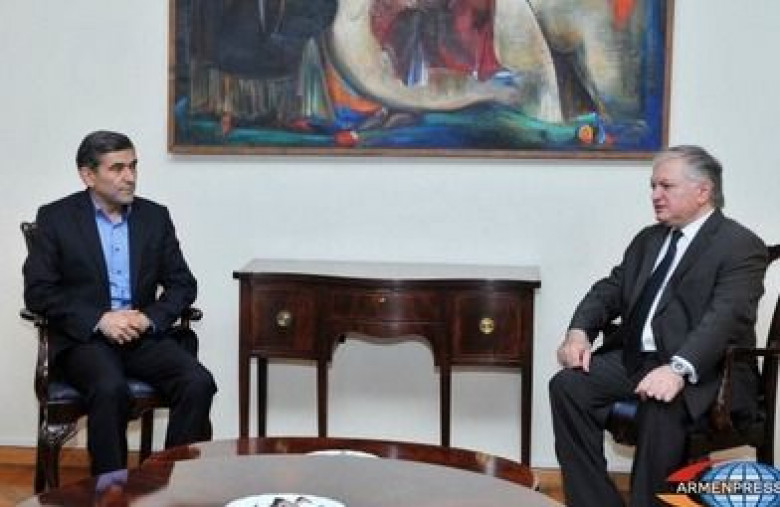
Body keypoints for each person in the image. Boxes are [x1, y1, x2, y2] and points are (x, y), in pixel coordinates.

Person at [549, 145, 767, 506]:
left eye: (666, 186)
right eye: (653, 186)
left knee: (662, 404)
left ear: (703, 191)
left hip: (709, 372)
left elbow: (726, 318)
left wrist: (679, 368)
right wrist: (578, 332)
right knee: (568, 386)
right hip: (638, 360)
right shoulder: (649, 240)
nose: (655, 195)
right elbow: (609, 290)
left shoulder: (740, 246)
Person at [23, 130, 217, 475]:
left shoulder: (154, 217)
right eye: (117, 168)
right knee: (109, 389)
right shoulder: (56, 218)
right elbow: (39, 291)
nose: (130, 177)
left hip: (142, 337)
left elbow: (182, 285)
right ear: (88, 175)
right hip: (86, 340)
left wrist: (148, 319)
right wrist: (100, 319)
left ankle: (171, 482)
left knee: (197, 382)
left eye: (133, 166)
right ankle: (111, 491)